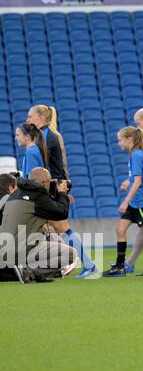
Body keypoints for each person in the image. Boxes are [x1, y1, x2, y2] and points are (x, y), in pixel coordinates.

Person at [26, 105, 94, 279]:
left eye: (30, 116)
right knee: (52, 228)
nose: (28, 120)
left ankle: (88, 264)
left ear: (40, 118)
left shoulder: (48, 137)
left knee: (61, 227)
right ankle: (61, 265)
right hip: (55, 185)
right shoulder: (48, 135)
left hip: (53, 186)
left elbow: (49, 168)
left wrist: (62, 189)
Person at [104, 128, 143, 277]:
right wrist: (128, 181)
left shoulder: (136, 156)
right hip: (137, 201)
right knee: (120, 229)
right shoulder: (139, 154)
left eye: (120, 140)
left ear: (130, 140)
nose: (119, 143)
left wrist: (126, 201)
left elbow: (138, 181)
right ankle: (119, 267)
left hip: (141, 201)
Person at [0, 168, 77, 282]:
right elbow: (61, 213)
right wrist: (62, 194)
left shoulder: (17, 194)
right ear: (44, 182)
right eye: (50, 182)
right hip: (21, 250)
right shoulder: (37, 196)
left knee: (49, 236)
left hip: (4, 250)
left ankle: (24, 269)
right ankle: (31, 272)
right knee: (71, 254)